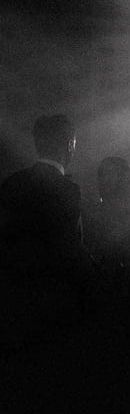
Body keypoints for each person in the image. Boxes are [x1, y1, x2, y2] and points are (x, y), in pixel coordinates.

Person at [0, 114, 92, 342]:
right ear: (70, 144)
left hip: (11, 296)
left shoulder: (12, 183)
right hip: (50, 302)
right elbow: (69, 249)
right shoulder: (67, 190)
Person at [83, 156, 130, 289]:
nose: (103, 179)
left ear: (123, 179)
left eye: (109, 174)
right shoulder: (90, 211)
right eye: (101, 174)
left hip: (116, 291)